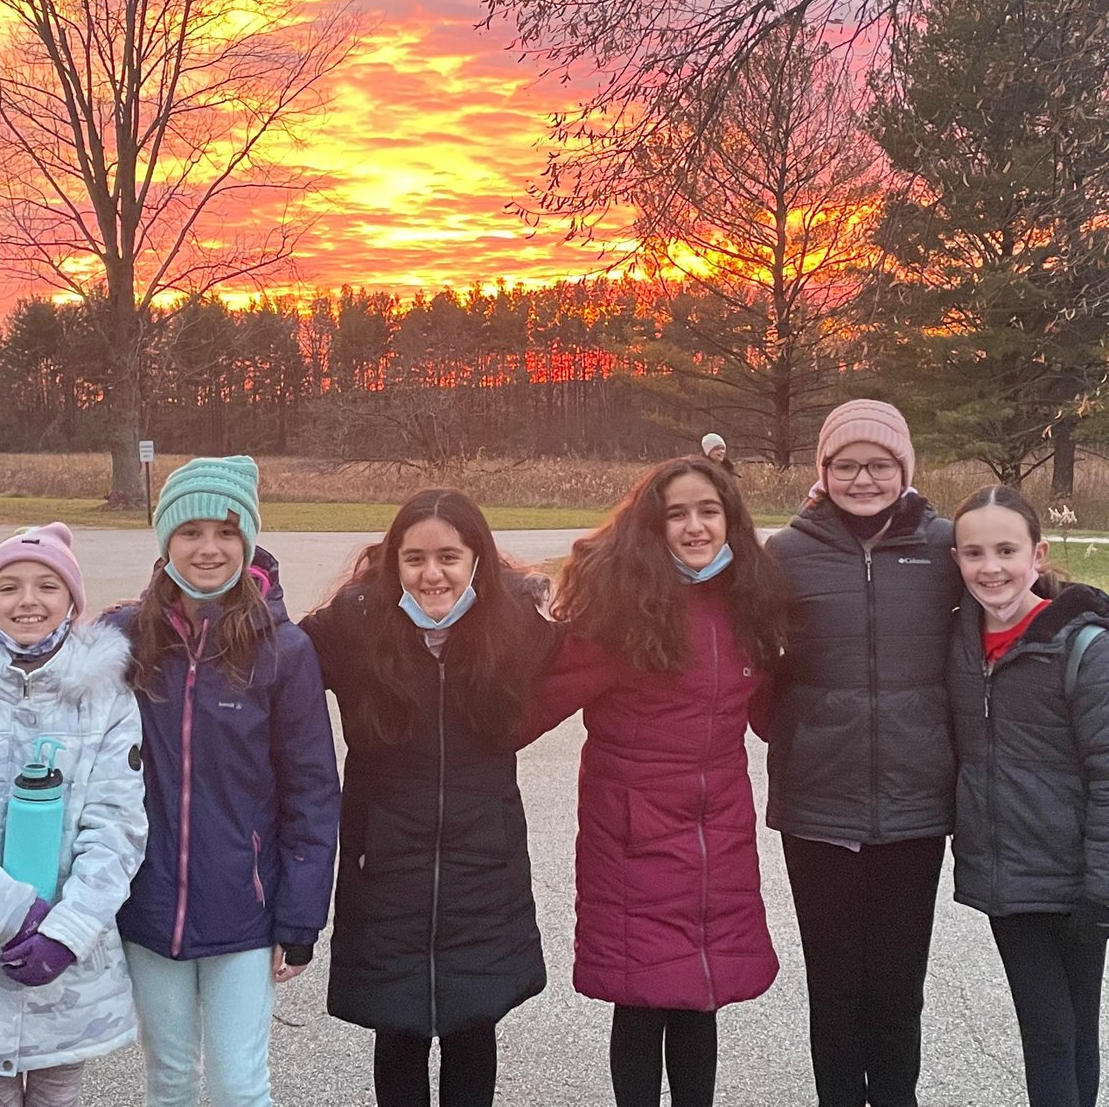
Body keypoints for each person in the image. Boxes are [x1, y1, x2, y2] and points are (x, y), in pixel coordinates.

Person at [523, 455, 788, 1107]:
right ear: (654, 524)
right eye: (678, 514)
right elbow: (528, 705)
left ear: (730, 519)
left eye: (708, 511)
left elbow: (769, 717)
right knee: (643, 995)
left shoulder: (748, 603)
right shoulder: (622, 610)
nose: (695, 526)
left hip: (718, 827)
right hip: (632, 832)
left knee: (701, 994)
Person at [299, 488, 554, 1107]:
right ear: (394, 564)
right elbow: (270, 657)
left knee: (474, 1025)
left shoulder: (520, 625)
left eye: (449, 556)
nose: (432, 573)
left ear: (476, 560)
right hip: (386, 862)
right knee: (400, 1029)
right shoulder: (352, 628)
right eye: (414, 558)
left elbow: (611, 634)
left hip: (482, 864)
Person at [105, 455, 340, 1107]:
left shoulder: (282, 650)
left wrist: (300, 917)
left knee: (239, 1086)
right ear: (166, 541)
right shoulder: (124, 636)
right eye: (190, 532)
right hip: (148, 908)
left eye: (227, 533)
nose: (209, 548)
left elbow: (313, 791)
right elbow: (35, 680)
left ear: (248, 541)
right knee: (172, 1079)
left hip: (246, 912)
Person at [765, 399, 961, 1107]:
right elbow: (756, 666)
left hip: (915, 802)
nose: (863, 478)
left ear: (905, 471)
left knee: (900, 982)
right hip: (818, 804)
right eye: (845, 465)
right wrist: (797, 728)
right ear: (823, 472)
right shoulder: (785, 553)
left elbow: (1007, 603)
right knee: (836, 982)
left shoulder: (944, 547)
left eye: (879, 465)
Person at [0, 522, 147, 1107]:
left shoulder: (108, 697)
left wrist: (65, 932)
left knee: (58, 1089)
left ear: (71, 599)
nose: (29, 601)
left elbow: (117, 826)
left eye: (47, 585)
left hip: (69, 958)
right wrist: (11, 914)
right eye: (9, 586)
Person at [948, 484, 1109, 1107]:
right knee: (1053, 1033)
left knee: (1068, 1035)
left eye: (1006, 550)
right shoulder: (958, 644)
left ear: (1037, 555)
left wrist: (1101, 883)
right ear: (957, 560)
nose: (991, 568)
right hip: (1010, 877)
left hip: (1079, 878)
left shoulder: (1082, 646)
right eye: (974, 553)